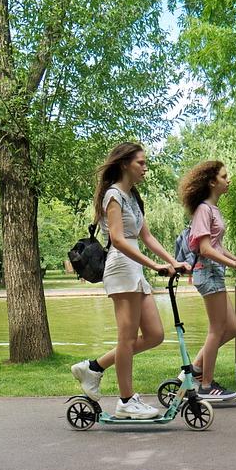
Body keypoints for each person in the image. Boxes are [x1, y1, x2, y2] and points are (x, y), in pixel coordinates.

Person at [70, 142, 190, 419]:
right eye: (141, 163)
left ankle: (94, 367)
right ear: (125, 164)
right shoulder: (113, 196)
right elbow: (119, 240)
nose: (145, 167)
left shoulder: (132, 197)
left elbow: (146, 237)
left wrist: (173, 262)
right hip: (122, 267)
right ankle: (125, 401)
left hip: (134, 267)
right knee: (126, 338)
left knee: (154, 335)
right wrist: (154, 265)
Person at [179, 160, 236, 401]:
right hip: (207, 271)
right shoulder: (203, 210)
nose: (228, 180)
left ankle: (194, 370)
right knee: (216, 330)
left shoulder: (214, 210)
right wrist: (234, 265)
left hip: (216, 271)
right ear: (213, 182)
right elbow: (205, 248)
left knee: (232, 327)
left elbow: (217, 246)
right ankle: (205, 385)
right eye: (224, 176)